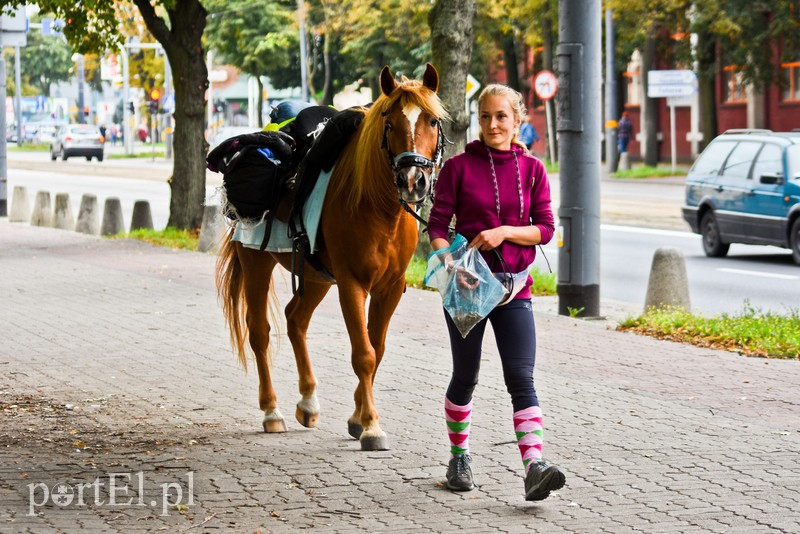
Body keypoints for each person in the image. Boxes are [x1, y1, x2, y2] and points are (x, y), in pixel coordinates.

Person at [428, 84, 565, 501]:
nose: (492, 124)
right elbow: (436, 227)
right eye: (485, 116)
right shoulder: (457, 168)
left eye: (501, 116)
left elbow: (545, 227)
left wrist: (505, 231)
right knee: (465, 377)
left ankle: (534, 466)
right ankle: (459, 456)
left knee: (521, 377)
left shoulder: (534, 169)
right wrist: (451, 264)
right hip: (469, 288)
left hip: (515, 290)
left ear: (517, 120)